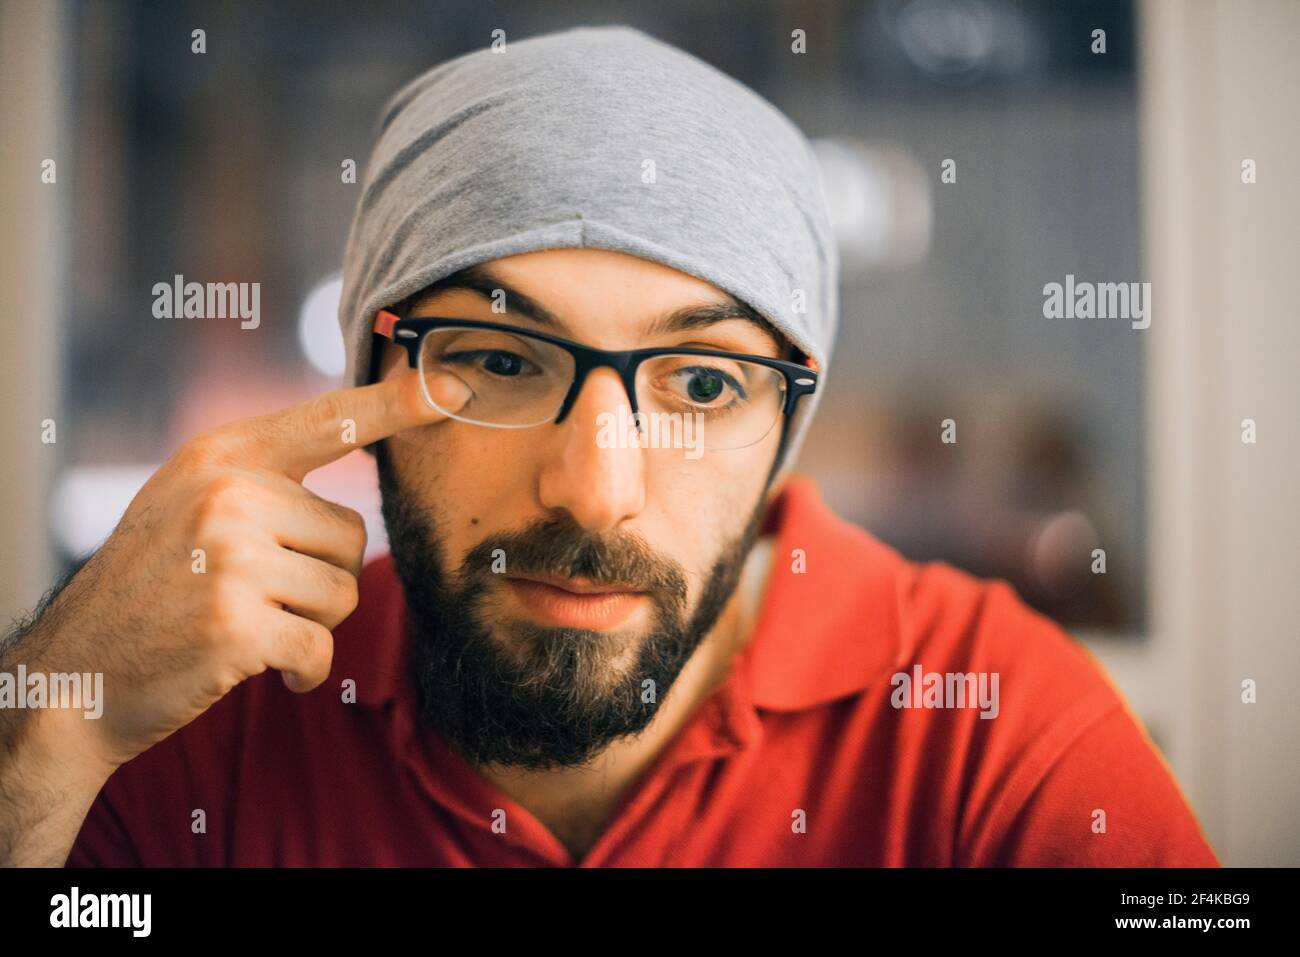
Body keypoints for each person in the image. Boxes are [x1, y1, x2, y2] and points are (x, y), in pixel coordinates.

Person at [0, 26, 1218, 867]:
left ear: (784, 431)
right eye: (499, 359)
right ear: (372, 382)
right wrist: (48, 712)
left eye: (699, 381)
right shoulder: (199, 722)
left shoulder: (981, 728)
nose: (595, 492)